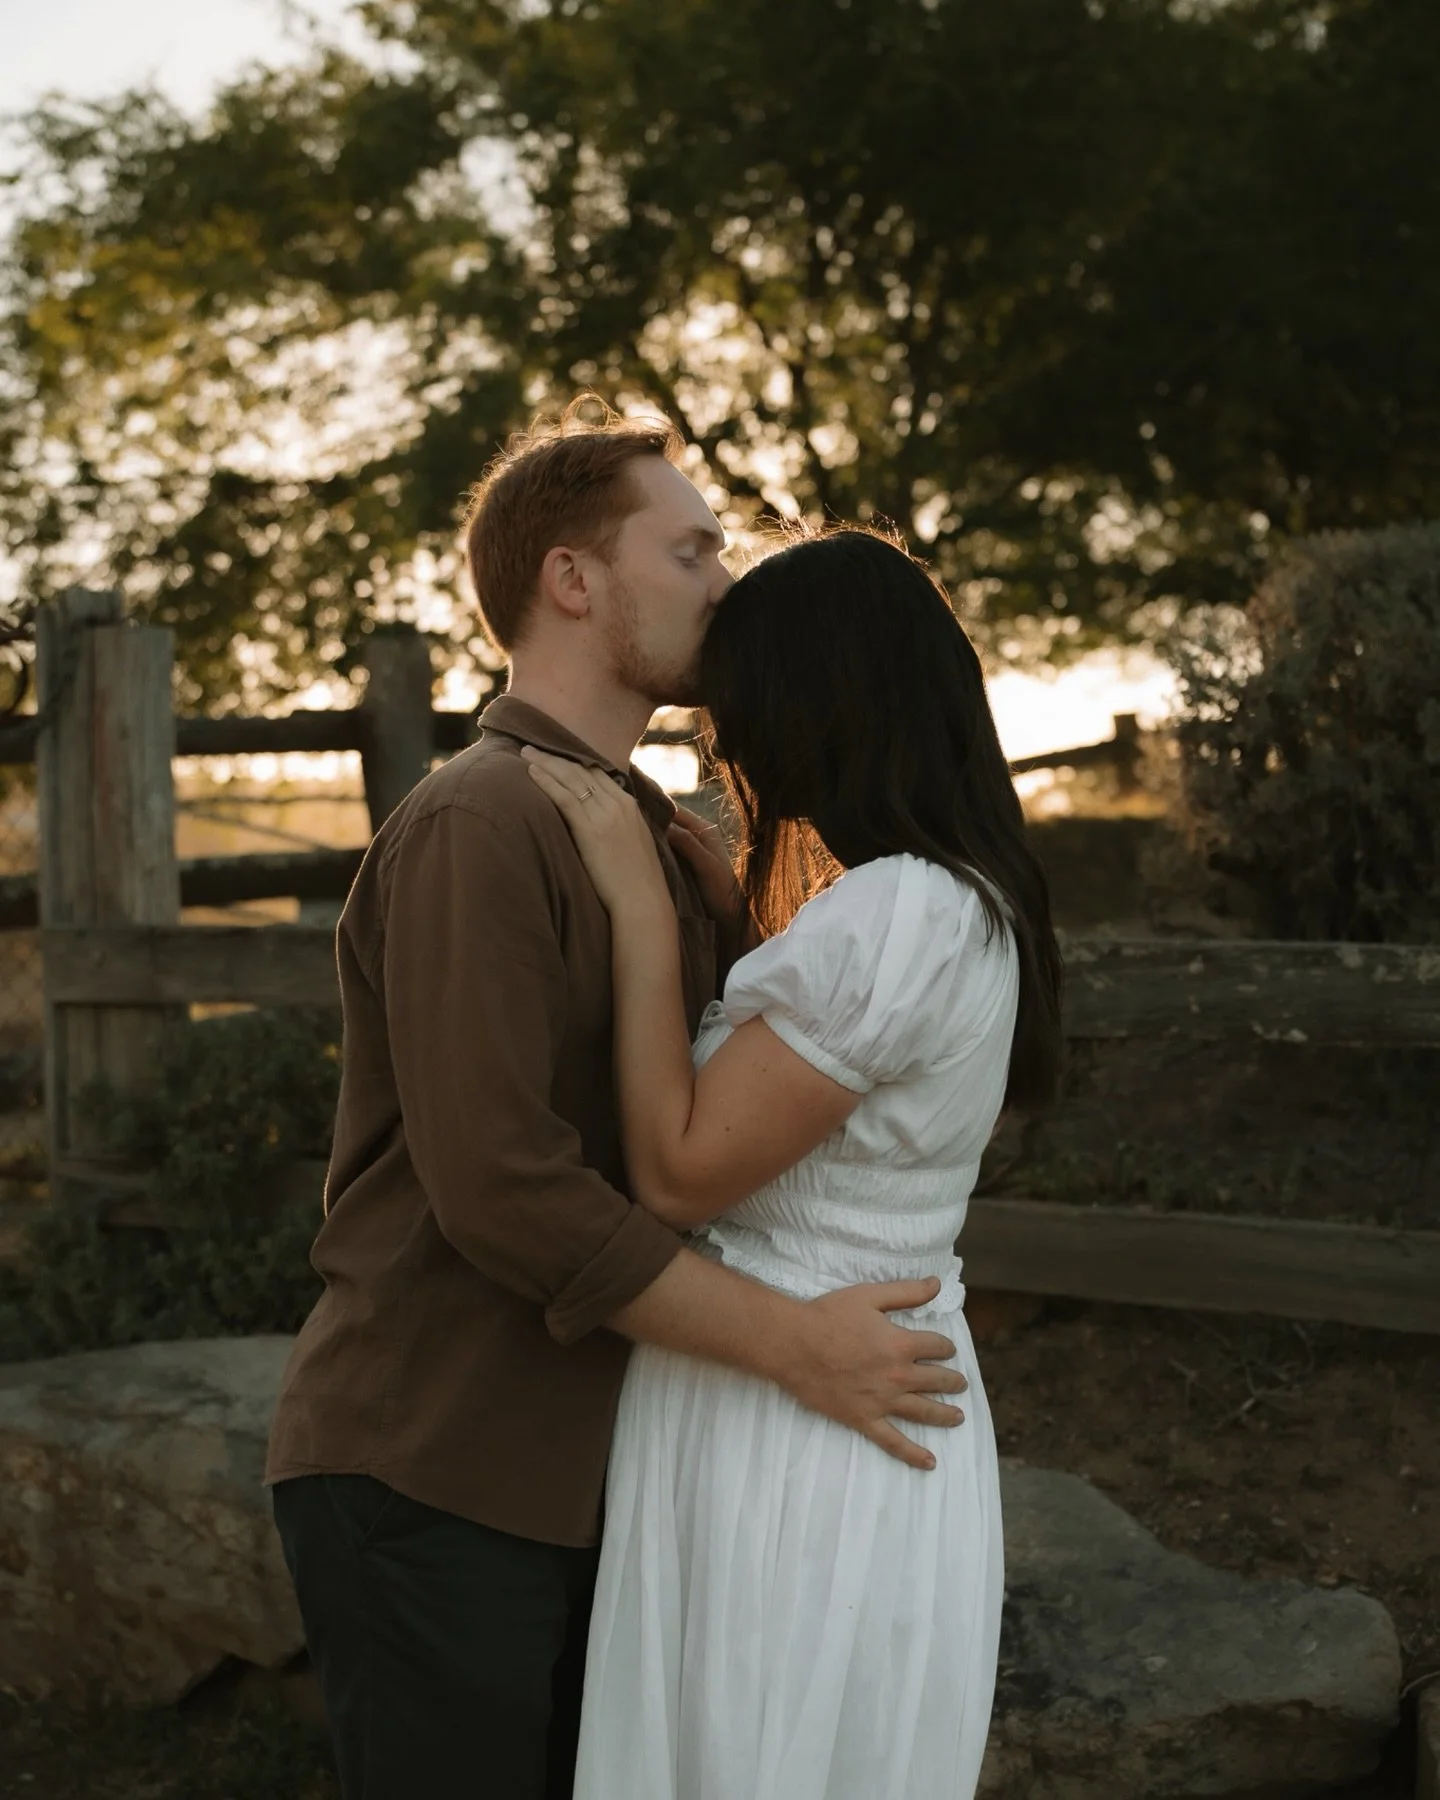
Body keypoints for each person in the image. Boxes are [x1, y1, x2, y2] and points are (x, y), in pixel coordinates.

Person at [264, 406, 972, 1800]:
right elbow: (504, 1192)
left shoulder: (656, 834)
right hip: (439, 1467)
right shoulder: (486, 820)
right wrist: (792, 1345)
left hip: (598, 1480)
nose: (727, 582)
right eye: (694, 548)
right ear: (574, 582)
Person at [524, 526, 1064, 1800]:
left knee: (748, 1752)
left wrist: (639, 910)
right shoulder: (963, 900)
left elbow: (675, 1170)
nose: (734, 751)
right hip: (862, 1387)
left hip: (792, 1416)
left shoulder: (895, 916)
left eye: (741, 716)